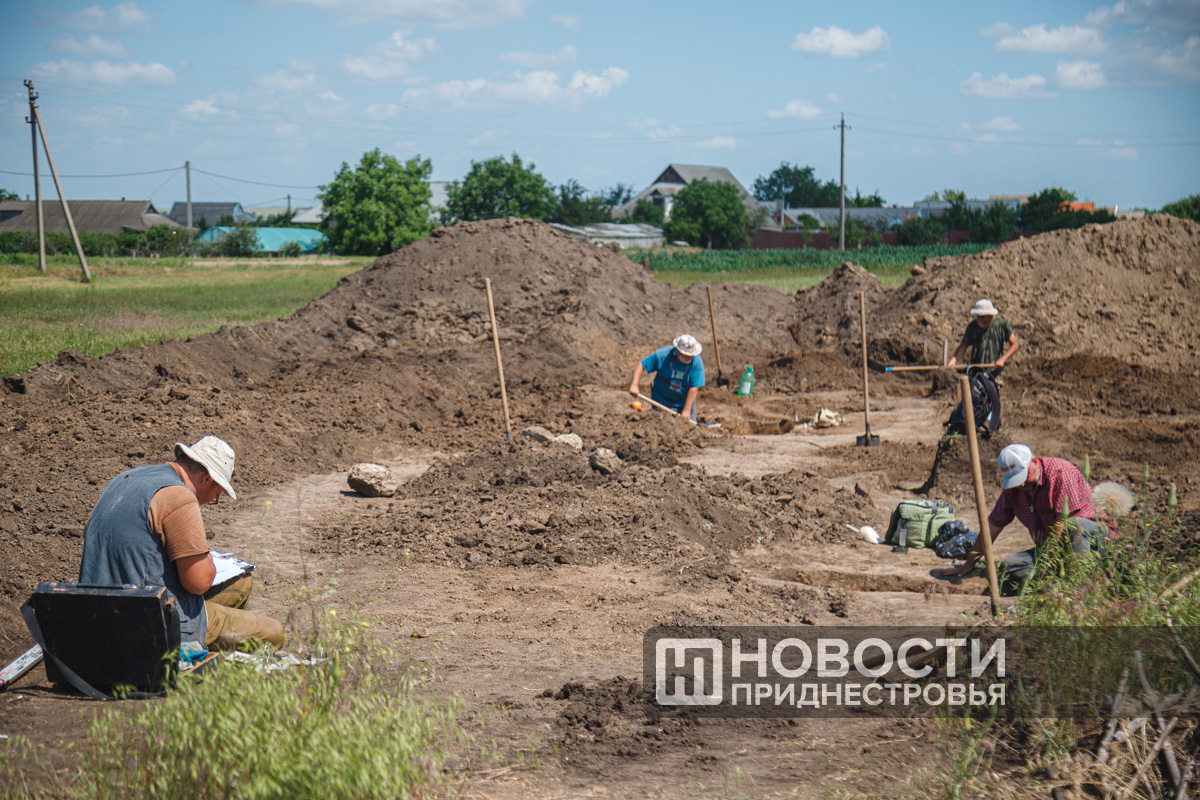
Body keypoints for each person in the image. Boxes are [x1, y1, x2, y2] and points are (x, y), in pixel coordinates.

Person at [79, 435, 284, 651]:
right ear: (206, 479)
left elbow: (90, 536)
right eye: (216, 495)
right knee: (273, 633)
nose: (211, 502)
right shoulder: (179, 497)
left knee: (242, 583)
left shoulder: (124, 479)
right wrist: (207, 559)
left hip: (95, 612)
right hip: (148, 624)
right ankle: (192, 656)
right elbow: (197, 582)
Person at [942, 444, 1108, 592]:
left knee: (1075, 525)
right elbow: (992, 526)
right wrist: (970, 562)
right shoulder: (1014, 489)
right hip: (1053, 552)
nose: (1021, 485)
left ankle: (1079, 588)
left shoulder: (1060, 473)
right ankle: (1055, 583)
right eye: (1016, 481)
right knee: (1009, 568)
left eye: (1023, 476)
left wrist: (1045, 566)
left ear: (1035, 462)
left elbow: (1064, 525)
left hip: (1091, 542)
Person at [629, 334, 706, 422]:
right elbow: (641, 365)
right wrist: (634, 385)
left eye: (691, 355)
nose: (690, 357)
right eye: (687, 355)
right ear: (678, 352)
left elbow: (694, 388)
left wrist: (687, 410)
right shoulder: (663, 355)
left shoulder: (696, 362)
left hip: (684, 402)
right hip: (663, 400)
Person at [945, 298, 1019, 382]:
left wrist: (1003, 359)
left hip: (994, 374)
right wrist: (954, 359)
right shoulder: (972, 327)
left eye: (983, 317)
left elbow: (1015, 345)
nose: (980, 319)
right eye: (978, 316)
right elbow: (964, 345)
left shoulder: (1001, 325)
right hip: (976, 373)